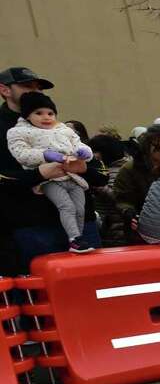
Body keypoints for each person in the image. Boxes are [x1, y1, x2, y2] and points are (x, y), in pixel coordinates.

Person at [0, 66, 105, 270]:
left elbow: (99, 172)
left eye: (39, 88)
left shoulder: (60, 126)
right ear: (5, 90)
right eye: (27, 86)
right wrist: (38, 174)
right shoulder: (5, 129)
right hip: (31, 224)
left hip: (83, 222)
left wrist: (83, 168)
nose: (36, 92)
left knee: (92, 286)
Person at [6, 93, 96, 253]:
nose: (46, 117)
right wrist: (44, 155)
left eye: (50, 113)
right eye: (38, 113)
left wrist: (84, 152)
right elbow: (22, 154)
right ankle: (74, 239)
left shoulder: (64, 130)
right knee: (66, 206)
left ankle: (79, 238)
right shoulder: (18, 132)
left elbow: (79, 144)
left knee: (80, 209)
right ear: (27, 115)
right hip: (50, 180)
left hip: (73, 177)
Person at [114, 124, 160, 240]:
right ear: (148, 146)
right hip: (141, 231)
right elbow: (122, 199)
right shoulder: (130, 169)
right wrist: (129, 212)